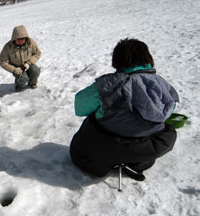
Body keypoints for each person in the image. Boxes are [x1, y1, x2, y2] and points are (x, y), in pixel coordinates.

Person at [69, 38, 179, 180]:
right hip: (144, 150)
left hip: (107, 147)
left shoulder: (108, 84)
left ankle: (109, 160)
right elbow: (169, 108)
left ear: (117, 60)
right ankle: (134, 162)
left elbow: (81, 107)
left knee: (93, 119)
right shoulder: (162, 84)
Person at [0, 25, 42, 91]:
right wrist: (14, 69)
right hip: (16, 67)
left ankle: (32, 83)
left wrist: (29, 63)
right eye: (18, 40)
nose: (20, 42)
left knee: (35, 71)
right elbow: (2, 61)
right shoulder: (8, 47)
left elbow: (37, 53)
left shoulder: (30, 42)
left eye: (22, 39)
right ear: (14, 39)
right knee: (23, 78)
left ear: (25, 38)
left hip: (28, 64)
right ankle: (18, 85)